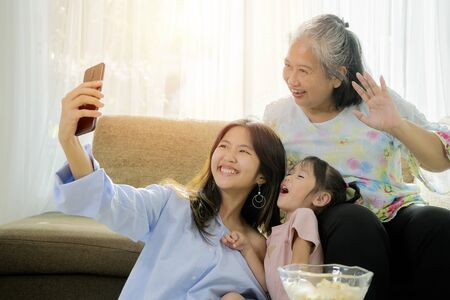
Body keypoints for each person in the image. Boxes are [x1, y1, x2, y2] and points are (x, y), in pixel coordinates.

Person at [263, 14, 450, 300]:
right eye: (288, 66)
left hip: (395, 212)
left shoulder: (377, 100)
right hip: (331, 221)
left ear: (337, 76)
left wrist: (397, 125)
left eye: (304, 71)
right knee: (355, 220)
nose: (291, 79)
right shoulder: (278, 117)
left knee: (438, 223)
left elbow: (439, 161)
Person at [54, 81, 287, 299]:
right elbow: (109, 201)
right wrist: (69, 140)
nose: (228, 157)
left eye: (243, 151)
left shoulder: (258, 247)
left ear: (262, 175)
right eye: (223, 146)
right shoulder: (171, 203)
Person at [221, 156, 361, 300]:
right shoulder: (275, 235)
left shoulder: (304, 216)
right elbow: (266, 285)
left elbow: (300, 267)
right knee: (232, 297)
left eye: (300, 176)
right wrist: (246, 248)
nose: (288, 178)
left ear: (320, 199)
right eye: (290, 173)